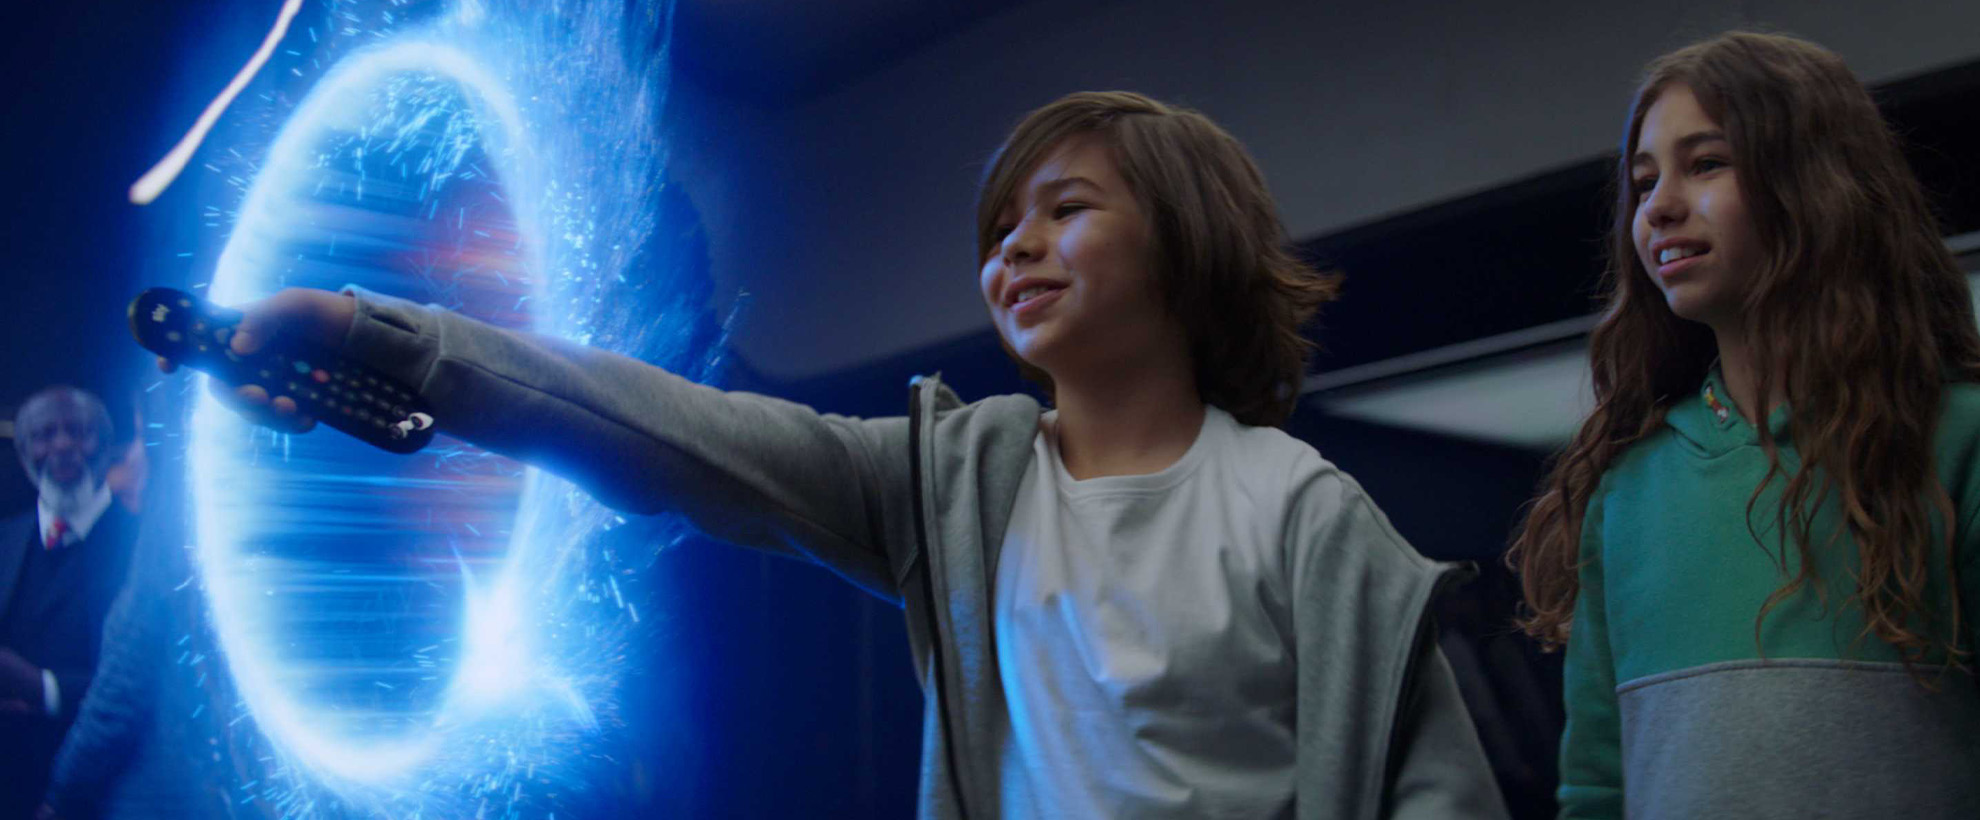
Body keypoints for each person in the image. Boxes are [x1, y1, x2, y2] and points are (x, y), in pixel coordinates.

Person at [170, 91, 1506, 818]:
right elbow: (658, 430)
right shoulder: (952, 484)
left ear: (1187, 241)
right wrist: (376, 336)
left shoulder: (1304, 516)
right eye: (998, 228)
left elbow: (1436, 795)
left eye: (1064, 210)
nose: (1012, 248)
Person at [1509, 31, 1980, 819]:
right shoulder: (1625, 487)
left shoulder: (1957, 438)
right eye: (1644, 179)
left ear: (1819, 185)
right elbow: (1596, 787)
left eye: (1707, 164)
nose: (1658, 205)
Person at [0, 388, 141, 819]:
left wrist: (45, 689)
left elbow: (149, 678)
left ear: (106, 447)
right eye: (44, 435)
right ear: (24, 453)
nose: (62, 445)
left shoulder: (143, 547)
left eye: (78, 433)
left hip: (102, 792)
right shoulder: (4, 537)